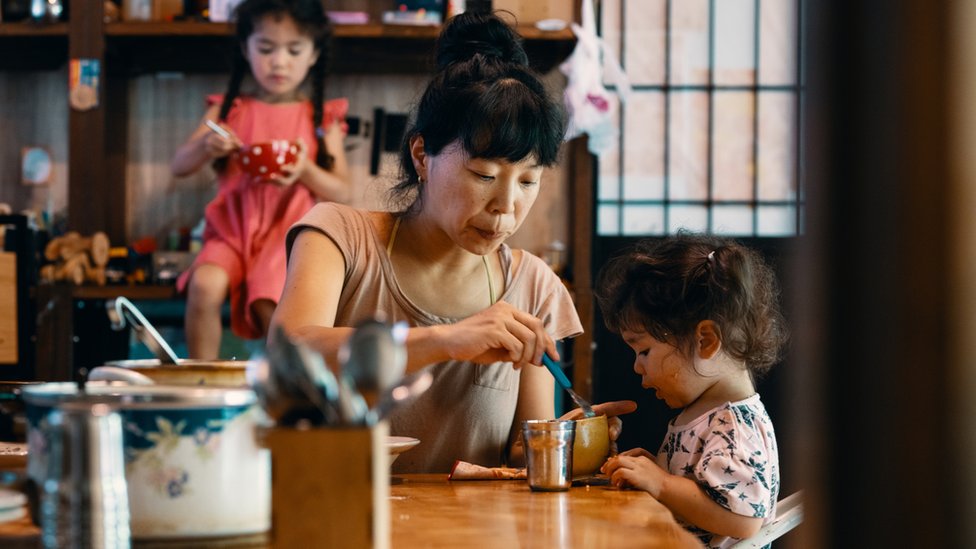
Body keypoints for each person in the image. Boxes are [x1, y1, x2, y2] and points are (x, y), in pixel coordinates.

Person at [271, 11, 634, 474]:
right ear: (422, 155)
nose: (506, 206)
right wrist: (446, 340)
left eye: (527, 180)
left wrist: (571, 444)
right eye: (484, 174)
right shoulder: (339, 238)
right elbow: (289, 356)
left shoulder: (533, 286)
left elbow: (521, 454)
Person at [170, 0, 349, 359]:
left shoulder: (320, 116)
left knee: (274, 305)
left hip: (288, 236)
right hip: (231, 230)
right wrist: (208, 144)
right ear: (245, 49)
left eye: (294, 50)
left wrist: (305, 171)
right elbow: (179, 165)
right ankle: (201, 378)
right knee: (204, 286)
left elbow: (343, 190)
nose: (279, 61)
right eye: (266, 49)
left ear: (313, 54)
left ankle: (284, 389)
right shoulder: (228, 111)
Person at [595, 234, 789, 549]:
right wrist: (656, 471)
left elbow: (743, 519)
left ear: (706, 340)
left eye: (643, 351)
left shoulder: (734, 426)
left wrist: (662, 484)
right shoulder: (706, 413)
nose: (636, 367)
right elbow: (701, 492)